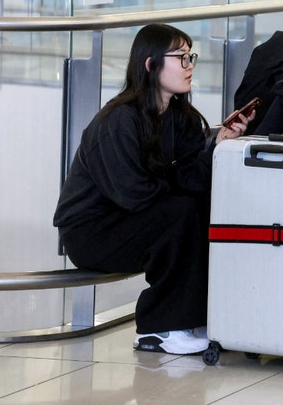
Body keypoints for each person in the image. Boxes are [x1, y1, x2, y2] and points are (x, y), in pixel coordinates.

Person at [53, 24, 250, 355]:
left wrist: (218, 144)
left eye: (191, 57)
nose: (189, 66)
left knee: (199, 207)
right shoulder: (117, 122)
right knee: (180, 212)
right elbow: (133, 194)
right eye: (181, 57)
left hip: (134, 218)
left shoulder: (181, 118)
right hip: (92, 230)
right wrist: (179, 184)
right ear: (150, 64)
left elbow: (193, 179)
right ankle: (158, 328)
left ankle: (192, 317)